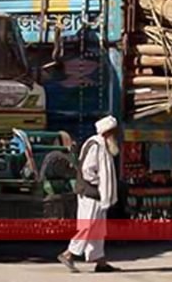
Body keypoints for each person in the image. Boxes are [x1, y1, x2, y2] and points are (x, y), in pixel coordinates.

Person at [59, 116, 120, 273]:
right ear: (107, 132)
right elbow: (87, 170)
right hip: (91, 193)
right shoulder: (96, 145)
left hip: (97, 194)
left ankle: (100, 261)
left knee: (98, 229)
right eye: (114, 132)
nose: (116, 136)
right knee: (89, 225)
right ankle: (69, 254)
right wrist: (99, 184)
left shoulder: (103, 144)